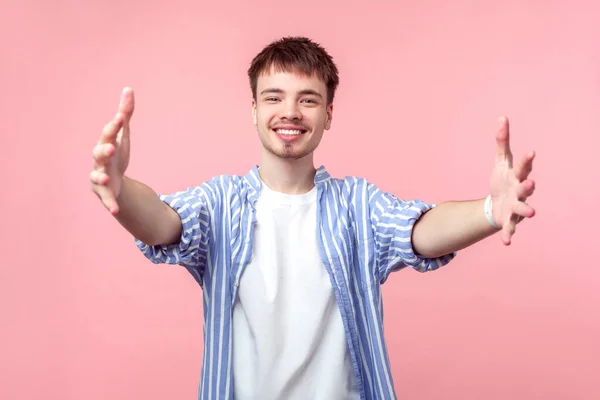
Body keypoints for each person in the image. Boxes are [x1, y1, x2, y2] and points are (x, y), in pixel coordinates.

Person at [90, 36, 536, 400]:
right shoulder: (220, 202)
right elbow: (166, 225)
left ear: (328, 115)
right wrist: (121, 187)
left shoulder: (356, 205)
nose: (289, 112)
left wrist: (487, 212)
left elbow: (419, 231)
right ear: (253, 110)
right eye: (273, 97)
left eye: (308, 100)